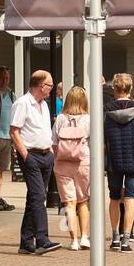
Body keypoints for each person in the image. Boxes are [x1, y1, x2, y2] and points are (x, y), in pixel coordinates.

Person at [103, 73, 134, 252]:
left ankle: (115, 236)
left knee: (114, 197)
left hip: (113, 161)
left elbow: (102, 137)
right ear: (130, 89)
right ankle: (126, 239)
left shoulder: (107, 111)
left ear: (114, 89)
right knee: (131, 198)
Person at [11, 70, 60, 255]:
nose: (51, 88)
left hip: (46, 155)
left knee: (34, 198)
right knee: (40, 197)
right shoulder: (23, 103)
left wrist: (51, 152)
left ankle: (25, 242)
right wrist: (26, 156)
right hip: (31, 155)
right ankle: (42, 239)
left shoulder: (44, 105)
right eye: (50, 85)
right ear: (40, 86)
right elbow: (14, 131)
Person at [52, 85, 92, 249]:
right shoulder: (88, 119)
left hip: (62, 164)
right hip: (82, 162)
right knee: (82, 201)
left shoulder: (60, 119)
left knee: (69, 203)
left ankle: (73, 240)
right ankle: (84, 237)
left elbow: (54, 142)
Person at [0, 66, 17, 211]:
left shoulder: (12, 95)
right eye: (2, 78)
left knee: (1, 170)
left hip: (7, 138)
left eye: (7, 78)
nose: (5, 81)